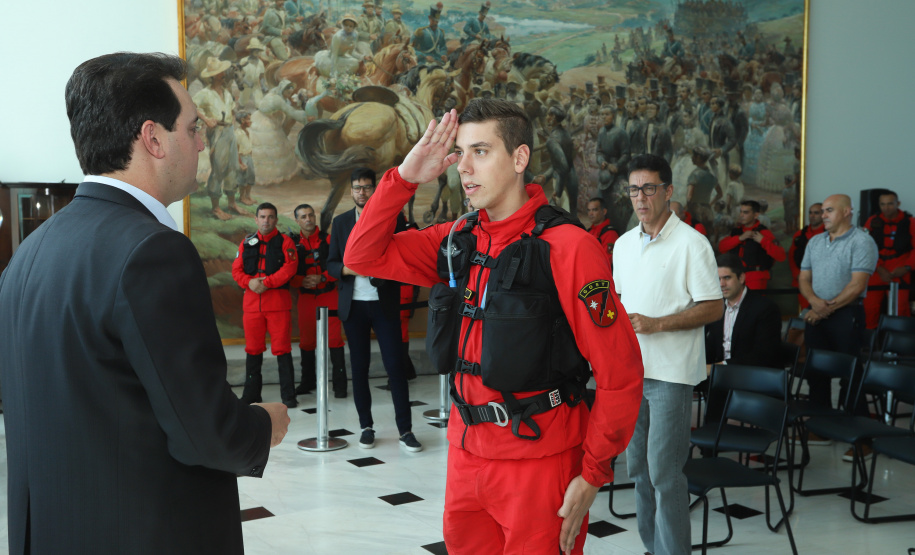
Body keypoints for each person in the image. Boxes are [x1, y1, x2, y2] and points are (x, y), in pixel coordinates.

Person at [0, 52, 289, 554]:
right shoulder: (153, 251)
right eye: (194, 127)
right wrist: (266, 423)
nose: (202, 143)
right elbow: (205, 432)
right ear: (153, 138)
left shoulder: (30, 251)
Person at [342, 99, 643, 554]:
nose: (465, 168)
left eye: (480, 151)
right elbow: (360, 256)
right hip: (466, 454)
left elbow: (620, 374)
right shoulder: (455, 240)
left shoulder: (570, 248)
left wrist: (593, 474)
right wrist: (404, 179)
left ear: (519, 159)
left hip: (539, 459)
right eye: (460, 153)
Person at [613, 153, 723, 555]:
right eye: (634, 189)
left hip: (672, 375)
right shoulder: (624, 245)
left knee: (664, 471)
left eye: (649, 188)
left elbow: (713, 307)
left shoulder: (692, 244)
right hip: (632, 373)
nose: (640, 197)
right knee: (638, 470)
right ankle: (652, 547)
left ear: (668, 191)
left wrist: (658, 323)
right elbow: (622, 302)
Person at [327, 167, 422, 452]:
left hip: (384, 304)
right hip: (353, 307)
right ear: (352, 191)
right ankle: (366, 427)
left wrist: (376, 269)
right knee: (360, 368)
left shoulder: (393, 219)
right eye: (357, 188)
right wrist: (349, 268)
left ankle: (405, 431)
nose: (361, 192)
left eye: (367, 187)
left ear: (375, 189)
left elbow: (403, 256)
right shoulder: (341, 222)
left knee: (395, 368)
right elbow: (331, 264)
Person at [799, 194, 878, 456]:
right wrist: (814, 303)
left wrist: (823, 309)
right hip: (817, 312)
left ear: (847, 212)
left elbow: (857, 286)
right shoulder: (815, 241)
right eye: (822, 211)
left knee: (850, 375)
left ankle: (863, 439)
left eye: (829, 210)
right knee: (816, 374)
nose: (823, 215)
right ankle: (821, 428)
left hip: (846, 315)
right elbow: (804, 277)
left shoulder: (861, 241)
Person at [232, 202, 300, 408]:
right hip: (252, 306)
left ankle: (288, 396)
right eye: (262, 217)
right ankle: (252, 394)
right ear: (256, 219)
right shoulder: (246, 243)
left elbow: (290, 269)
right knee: (253, 350)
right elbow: (236, 271)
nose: (266, 221)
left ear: (276, 220)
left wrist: (266, 283)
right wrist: (250, 282)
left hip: (278, 305)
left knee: (282, 349)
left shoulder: (286, 242)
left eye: (270, 217)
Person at [289, 204, 348, 397]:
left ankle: (340, 386)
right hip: (305, 298)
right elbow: (287, 271)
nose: (308, 219)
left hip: (329, 295)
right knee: (306, 342)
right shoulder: (291, 243)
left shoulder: (329, 240)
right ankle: (308, 382)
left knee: (334, 340)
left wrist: (323, 277)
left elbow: (340, 265)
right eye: (303, 216)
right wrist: (301, 280)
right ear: (297, 220)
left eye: (310, 215)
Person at [705, 254, 782, 368]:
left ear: (741, 278)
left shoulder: (766, 308)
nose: (721, 284)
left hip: (751, 377)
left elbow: (763, 356)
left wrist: (716, 368)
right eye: (718, 279)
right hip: (719, 376)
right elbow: (711, 346)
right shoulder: (716, 306)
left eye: (727, 278)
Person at [194, 56, 247, 220]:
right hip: (217, 133)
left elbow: (231, 113)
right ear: (215, 75)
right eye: (221, 73)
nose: (224, 74)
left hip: (229, 130)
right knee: (218, 169)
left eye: (223, 72)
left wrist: (235, 132)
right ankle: (216, 208)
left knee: (233, 167)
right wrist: (206, 119)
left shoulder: (227, 93)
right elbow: (191, 107)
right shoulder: (205, 93)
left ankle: (232, 204)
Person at [863, 190, 914, 328]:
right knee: (870, 309)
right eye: (883, 204)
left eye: (890, 204)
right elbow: (865, 247)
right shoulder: (872, 221)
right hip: (876, 268)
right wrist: (879, 268)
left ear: (898, 203)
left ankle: (901, 343)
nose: (886, 208)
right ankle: (870, 343)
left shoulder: (910, 222)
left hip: (900, 269)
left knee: (900, 309)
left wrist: (907, 267)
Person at [719, 200, 786, 290]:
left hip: (756, 278)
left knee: (753, 303)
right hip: (736, 277)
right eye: (741, 212)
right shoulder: (737, 232)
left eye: (745, 212)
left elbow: (781, 256)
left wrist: (763, 241)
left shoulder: (764, 232)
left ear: (756, 215)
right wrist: (739, 238)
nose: (741, 215)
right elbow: (721, 247)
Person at [788, 203, 825, 309]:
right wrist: (797, 275)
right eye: (810, 213)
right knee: (806, 313)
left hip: (823, 283)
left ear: (823, 215)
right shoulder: (800, 235)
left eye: (816, 213)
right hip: (803, 281)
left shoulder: (829, 234)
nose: (812, 216)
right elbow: (791, 257)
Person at [585, 197, 618, 267]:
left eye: (594, 210)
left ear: (604, 212)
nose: (590, 213)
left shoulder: (610, 234)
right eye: (589, 210)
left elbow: (607, 261)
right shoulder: (589, 231)